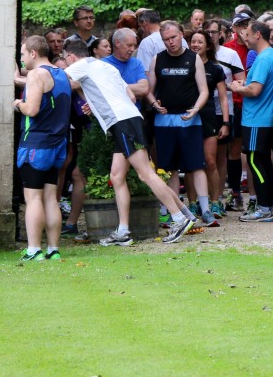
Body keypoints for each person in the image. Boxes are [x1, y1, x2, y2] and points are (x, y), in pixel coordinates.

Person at [62, 40, 196, 244]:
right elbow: (131, 97)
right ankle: (123, 231)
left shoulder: (81, 65)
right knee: (117, 176)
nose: (66, 62)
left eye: (65, 59)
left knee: (145, 174)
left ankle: (178, 218)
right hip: (127, 120)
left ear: (71, 56)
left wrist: (19, 78)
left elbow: (59, 80)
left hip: (123, 122)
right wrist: (97, 102)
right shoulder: (105, 66)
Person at [146, 22, 212, 224]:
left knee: (197, 165)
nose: (170, 42)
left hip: (190, 120)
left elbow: (204, 91)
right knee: (169, 167)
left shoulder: (193, 59)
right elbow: (148, 90)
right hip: (164, 121)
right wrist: (154, 104)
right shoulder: (157, 59)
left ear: (181, 35)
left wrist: (195, 109)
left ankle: (206, 209)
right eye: (166, 39)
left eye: (173, 37)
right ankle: (174, 210)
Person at [13, 36, 71, 261]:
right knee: (50, 198)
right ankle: (53, 249)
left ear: (33, 53)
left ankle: (34, 249)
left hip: (36, 145)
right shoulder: (60, 73)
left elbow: (32, 109)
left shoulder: (37, 74)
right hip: (57, 145)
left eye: (23, 53)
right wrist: (21, 79)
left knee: (33, 198)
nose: (22, 57)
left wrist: (18, 104)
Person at [231, 21, 273, 222]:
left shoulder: (262, 59)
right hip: (265, 119)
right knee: (264, 163)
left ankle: (264, 207)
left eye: (248, 34)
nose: (245, 37)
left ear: (258, 35)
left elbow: (255, 90)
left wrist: (237, 88)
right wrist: (244, 84)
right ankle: (267, 205)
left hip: (256, 119)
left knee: (255, 161)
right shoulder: (271, 56)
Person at [206, 19, 245, 217]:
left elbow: (241, 80)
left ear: (221, 34)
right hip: (200, 110)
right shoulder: (193, 53)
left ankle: (218, 198)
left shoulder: (230, 54)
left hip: (223, 109)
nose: (212, 35)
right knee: (204, 157)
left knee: (220, 157)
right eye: (208, 31)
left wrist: (223, 86)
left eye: (215, 32)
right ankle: (203, 199)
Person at [190, 29, 229, 225]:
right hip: (187, 117)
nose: (196, 45)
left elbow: (223, 97)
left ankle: (215, 202)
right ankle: (191, 202)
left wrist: (225, 122)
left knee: (211, 161)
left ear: (207, 45)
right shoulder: (185, 64)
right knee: (190, 163)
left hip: (208, 117)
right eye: (193, 41)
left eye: (200, 42)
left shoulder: (215, 69)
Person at [223, 11, 253, 210]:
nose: (243, 29)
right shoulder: (228, 49)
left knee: (251, 149)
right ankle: (235, 193)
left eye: (246, 24)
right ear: (233, 28)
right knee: (233, 149)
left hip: (251, 103)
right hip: (233, 103)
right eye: (239, 25)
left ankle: (257, 194)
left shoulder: (256, 48)